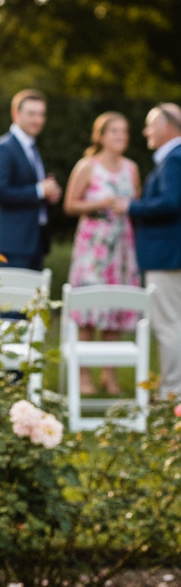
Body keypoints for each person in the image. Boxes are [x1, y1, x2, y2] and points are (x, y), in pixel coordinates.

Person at [63, 112, 142, 394]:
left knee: (115, 311)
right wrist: (102, 202)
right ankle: (83, 375)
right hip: (93, 248)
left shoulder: (131, 168)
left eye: (125, 131)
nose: (121, 136)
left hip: (121, 248)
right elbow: (70, 205)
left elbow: (137, 202)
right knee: (88, 312)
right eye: (115, 131)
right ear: (101, 136)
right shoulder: (87, 166)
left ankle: (109, 375)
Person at [112, 102, 181, 398]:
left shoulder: (175, 158)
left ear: (167, 126)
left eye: (150, 124)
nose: (145, 131)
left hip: (167, 255)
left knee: (169, 324)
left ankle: (172, 393)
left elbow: (171, 202)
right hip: (169, 254)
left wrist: (131, 206)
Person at [0, 89, 63, 269]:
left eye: (41, 114)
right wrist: (39, 190)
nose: (38, 120)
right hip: (11, 244)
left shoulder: (32, 147)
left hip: (34, 241)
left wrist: (48, 193)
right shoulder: (4, 147)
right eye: (31, 114)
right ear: (15, 114)